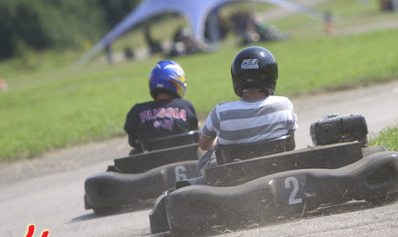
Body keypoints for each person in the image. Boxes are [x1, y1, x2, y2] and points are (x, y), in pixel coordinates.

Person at [197, 46, 297, 174]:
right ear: (271, 76)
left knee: (201, 151)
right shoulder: (284, 105)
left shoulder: (221, 112)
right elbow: (290, 146)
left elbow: (204, 145)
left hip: (233, 176)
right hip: (276, 171)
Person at [124, 60, 198, 154]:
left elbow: (133, 141)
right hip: (185, 158)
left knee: (134, 153)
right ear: (178, 82)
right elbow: (195, 134)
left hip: (149, 164)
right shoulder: (185, 106)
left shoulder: (136, 111)